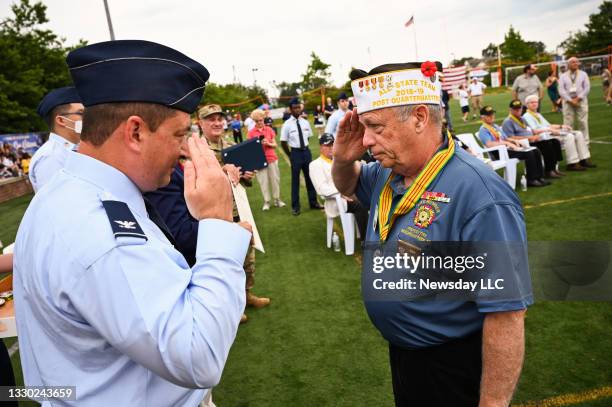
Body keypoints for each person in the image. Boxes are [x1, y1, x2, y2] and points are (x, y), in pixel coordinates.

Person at [13, 39, 253, 406]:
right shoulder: (99, 229)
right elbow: (198, 356)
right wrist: (218, 223)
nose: (184, 149)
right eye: (178, 134)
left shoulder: (72, 193)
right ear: (136, 131)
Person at [332, 61, 531, 406]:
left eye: (376, 127)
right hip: (407, 357)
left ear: (420, 118)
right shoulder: (387, 169)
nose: (366, 140)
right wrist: (340, 159)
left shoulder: (481, 195)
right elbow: (348, 185)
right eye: (364, 127)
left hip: (451, 364)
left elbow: (506, 313)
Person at [309, 133, 368, 239]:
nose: (331, 148)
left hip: (349, 195)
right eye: (328, 145)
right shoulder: (315, 165)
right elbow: (322, 190)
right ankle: (367, 241)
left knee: (371, 198)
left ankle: (375, 235)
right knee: (360, 205)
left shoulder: (339, 161)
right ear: (321, 147)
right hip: (335, 200)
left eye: (333, 145)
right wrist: (342, 192)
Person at [29, 86, 83, 192]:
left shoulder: (73, 150)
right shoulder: (51, 156)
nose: (89, 118)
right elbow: (58, 204)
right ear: (61, 120)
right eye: (81, 113)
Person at [477, 105, 548, 187]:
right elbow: (490, 144)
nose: (492, 116)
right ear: (482, 118)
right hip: (499, 153)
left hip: (508, 149)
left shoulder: (495, 126)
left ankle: (540, 177)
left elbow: (506, 138)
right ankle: (531, 179)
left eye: (492, 114)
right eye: (489, 115)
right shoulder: (483, 130)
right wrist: (507, 143)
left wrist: (514, 141)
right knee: (529, 154)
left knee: (535, 150)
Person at [522, 94, 595, 170]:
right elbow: (535, 131)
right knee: (569, 136)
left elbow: (549, 125)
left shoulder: (537, 114)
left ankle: (583, 159)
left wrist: (561, 126)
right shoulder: (527, 116)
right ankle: (572, 163)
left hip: (550, 133)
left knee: (578, 133)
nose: (534, 104)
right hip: (544, 137)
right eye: (532, 102)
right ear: (527, 105)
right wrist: (551, 130)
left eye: (536, 102)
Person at [280, 97, 322, 216]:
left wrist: (304, 147)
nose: (297, 110)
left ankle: (313, 202)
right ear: (290, 109)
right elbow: (283, 142)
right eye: (295, 108)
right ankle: (295, 207)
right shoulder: (287, 124)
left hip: (306, 152)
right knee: (295, 180)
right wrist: (290, 155)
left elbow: (307, 137)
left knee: (310, 178)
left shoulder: (305, 122)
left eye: (299, 107)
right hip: (295, 153)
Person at [503, 99, 565, 177]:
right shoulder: (508, 121)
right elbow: (510, 137)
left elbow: (532, 130)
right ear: (510, 110)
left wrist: (541, 133)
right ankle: (548, 171)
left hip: (532, 139)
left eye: (520, 108)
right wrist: (529, 138)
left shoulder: (522, 119)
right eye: (515, 109)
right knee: (547, 145)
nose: (518, 110)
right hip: (523, 143)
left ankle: (553, 168)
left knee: (554, 141)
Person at [247, 108, 285, 210]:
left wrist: (268, 143)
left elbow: (275, 145)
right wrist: (258, 145)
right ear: (254, 121)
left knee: (275, 179)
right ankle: (267, 201)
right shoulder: (251, 133)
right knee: (263, 181)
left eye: (261, 120)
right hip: (259, 160)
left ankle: (277, 200)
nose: (260, 122)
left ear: (263, 119)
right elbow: (250, 149)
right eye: (257, 121)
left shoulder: (269, 129)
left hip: (271, 158)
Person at [559, 57, 591, 144]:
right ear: (568, 64)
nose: (575, 63)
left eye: (577, 62)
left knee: (583, 122)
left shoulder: (583, 74)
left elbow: (587, 88)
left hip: (581, 100)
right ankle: (569, 141)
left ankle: (585, 142)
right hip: (567, 102)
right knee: (568, 122)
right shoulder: (563, 76)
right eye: (573, 62)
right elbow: (561, 90)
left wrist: (578, 98)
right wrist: (570, 100)